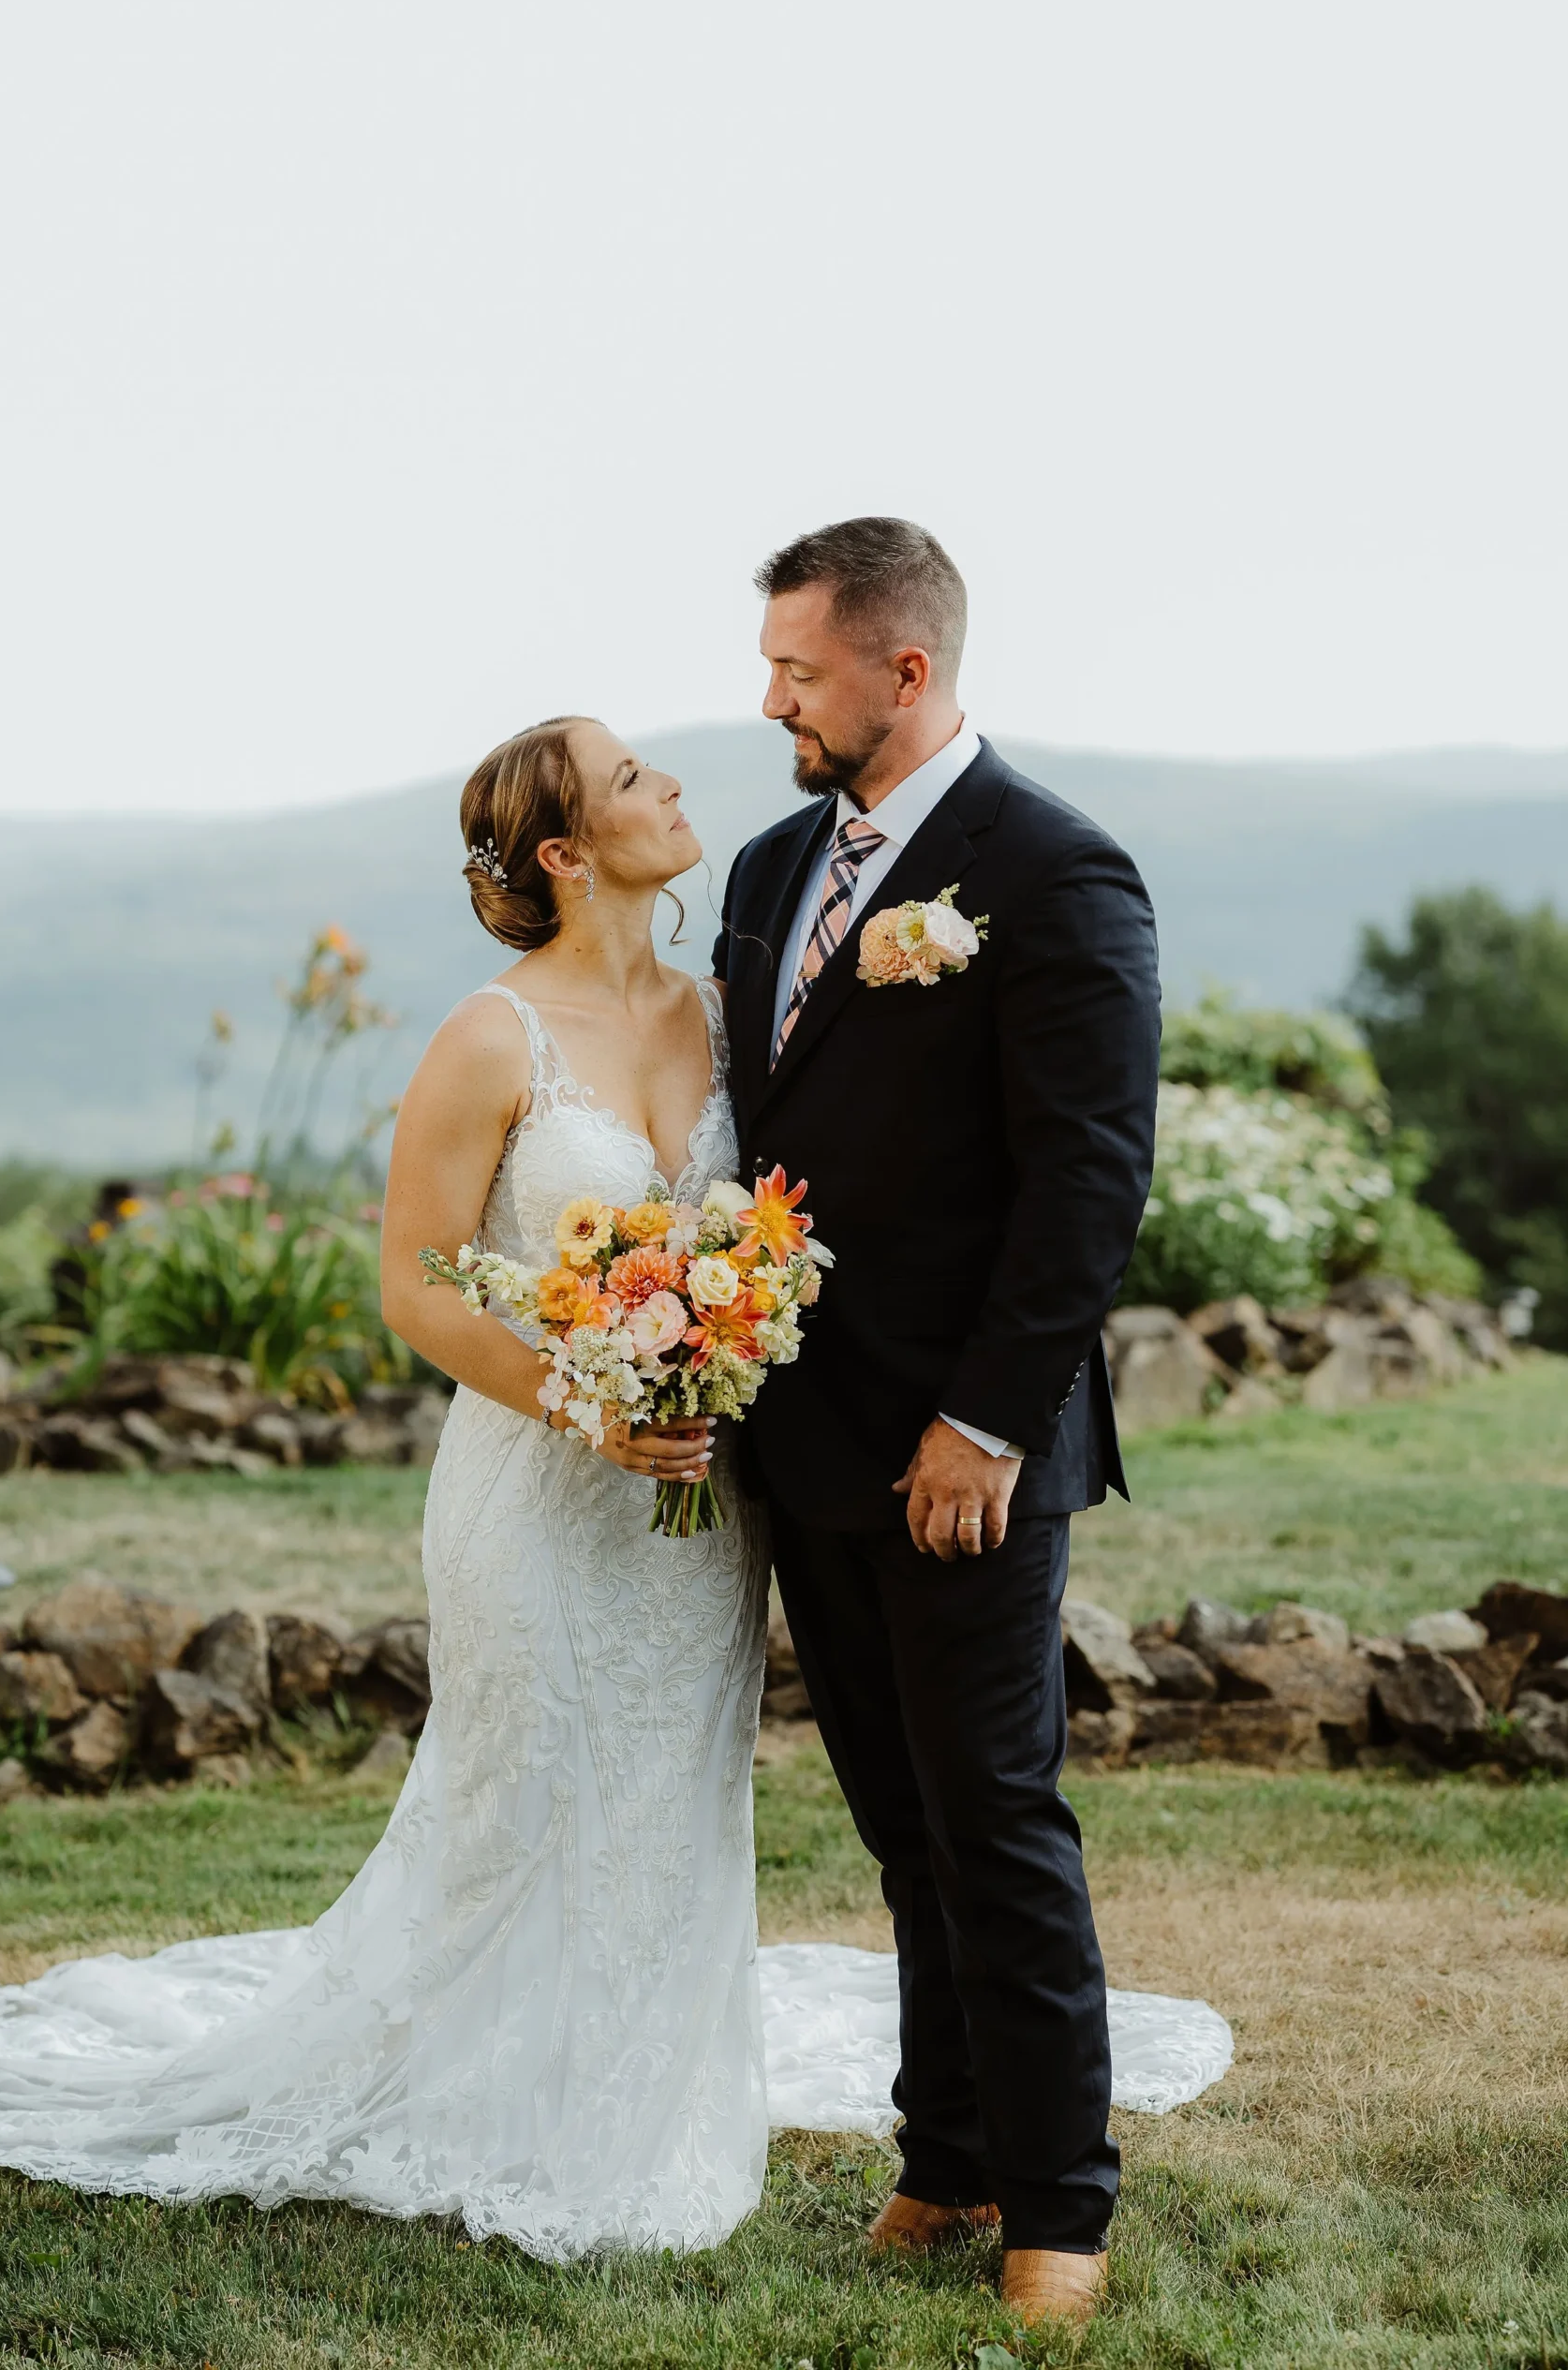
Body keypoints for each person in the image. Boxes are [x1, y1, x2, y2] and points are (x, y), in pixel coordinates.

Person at [0, 718, 772, 2258]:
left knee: (668, 1796)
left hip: (697, 1509)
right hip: (534, 1485)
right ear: (564, 852)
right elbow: (416, 1285)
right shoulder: (490, 1036)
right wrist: (587, 1405)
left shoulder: (726, 1015)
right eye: (630, 779)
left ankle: (633, 2099)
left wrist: (716, 1355)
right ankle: (478, 2098)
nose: (670, 784)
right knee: (521, 1791)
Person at [711, 517, 1161, 2328]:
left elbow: (1086, 1180)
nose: (771, 702)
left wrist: (983, 1420)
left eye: (797, 671)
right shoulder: (769, 867)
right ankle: (947, 2152)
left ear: (904, 670)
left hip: (968, 1449)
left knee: (995, 1821)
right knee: (902, 1827)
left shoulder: (1053, 871)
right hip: (805, 1438)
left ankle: (1059, 2205)